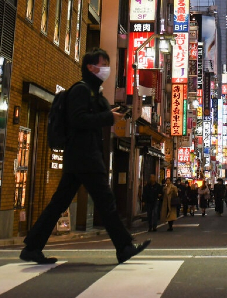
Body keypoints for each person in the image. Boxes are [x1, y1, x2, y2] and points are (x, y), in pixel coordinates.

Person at [19, 49, 150, 266]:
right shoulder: (81, 90)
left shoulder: (91, 91)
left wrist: (109, 112)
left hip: (80, 157)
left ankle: (32, 246)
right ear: (90, 67)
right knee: (105, 201)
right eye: (103, 64)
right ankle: (124, 247)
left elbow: (89, 117)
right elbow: (78, 119)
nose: (106, 68)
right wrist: (108, 116)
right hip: (85, 156)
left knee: (59, 203)